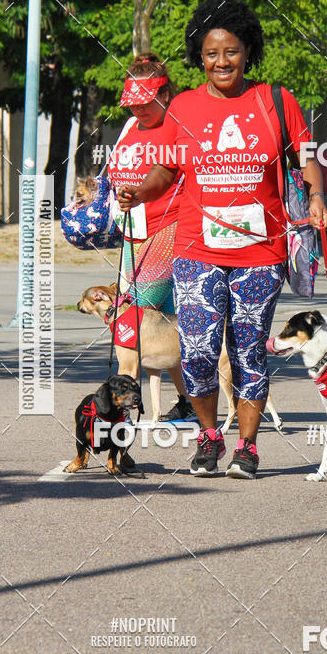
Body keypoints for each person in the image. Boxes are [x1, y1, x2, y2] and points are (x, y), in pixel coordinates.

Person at [117, 0, 327, 480]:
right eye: (211, 53)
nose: (221, 62)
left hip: (260, 253)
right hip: (196, 251)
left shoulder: (277, 100)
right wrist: (138, 191)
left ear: (248, 51)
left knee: (249, 348)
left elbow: (306, 157)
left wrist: (316, 195)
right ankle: (210, 437)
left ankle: (248, 448)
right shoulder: (184, 107)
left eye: (231, 51)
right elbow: (166, 168)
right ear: (199, 56)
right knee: (197, 350)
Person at [108, 53, 193, 422]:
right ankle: (188, 400)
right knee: (157, 322)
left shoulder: (177, 123)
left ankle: (124, 407)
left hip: (166, 229)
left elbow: (174, 175)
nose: (139, 110)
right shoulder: (129, 128)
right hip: (133, 232)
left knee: (135, 317)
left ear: (164, 93)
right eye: (134, 104)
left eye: (146, 103)